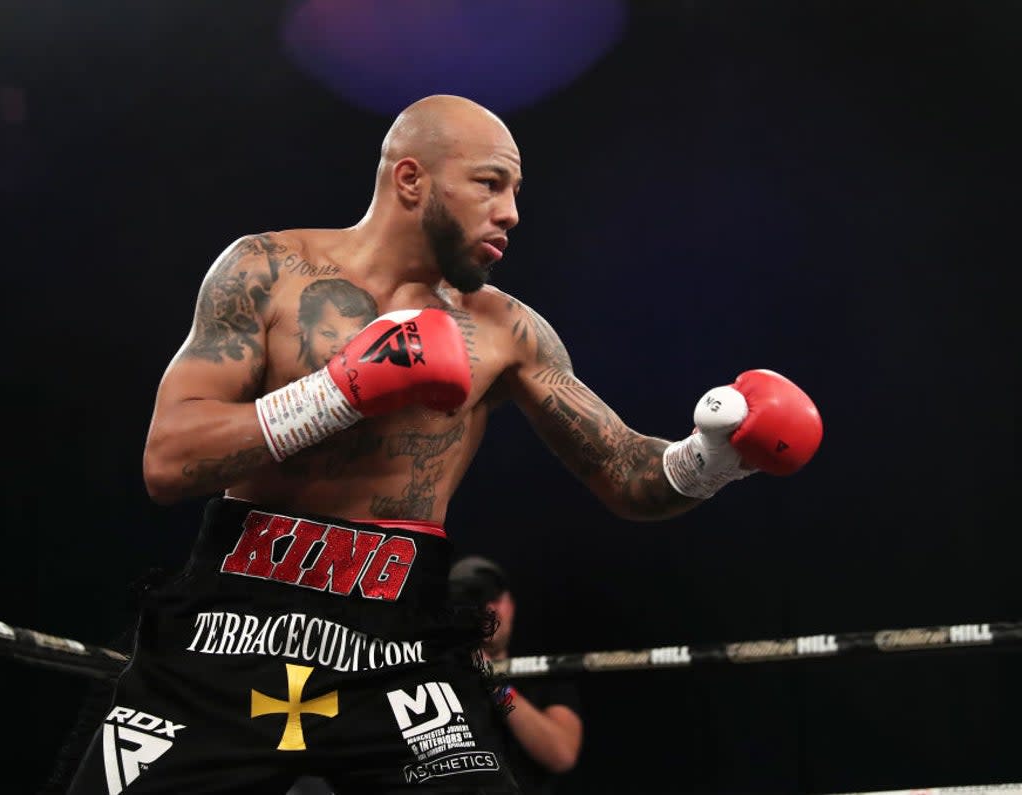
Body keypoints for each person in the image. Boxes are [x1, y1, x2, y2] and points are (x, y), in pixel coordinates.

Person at [65, 93, 822, 794]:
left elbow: (626, 473)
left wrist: (714, 456)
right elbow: (168, 460)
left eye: (516, 190)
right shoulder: (265, 271)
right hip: (228, 631)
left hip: (396, 651)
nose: (513, 212)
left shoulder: (506, 330)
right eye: (491, 184)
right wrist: (345, 386)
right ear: (411, 180)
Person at [448, 557, 583, 794]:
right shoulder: (425, 675)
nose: (487, 609)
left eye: (494, 597)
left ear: (510, 604)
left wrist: (494, 683)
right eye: (474, 600)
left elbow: (562, 754)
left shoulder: (544, 672)